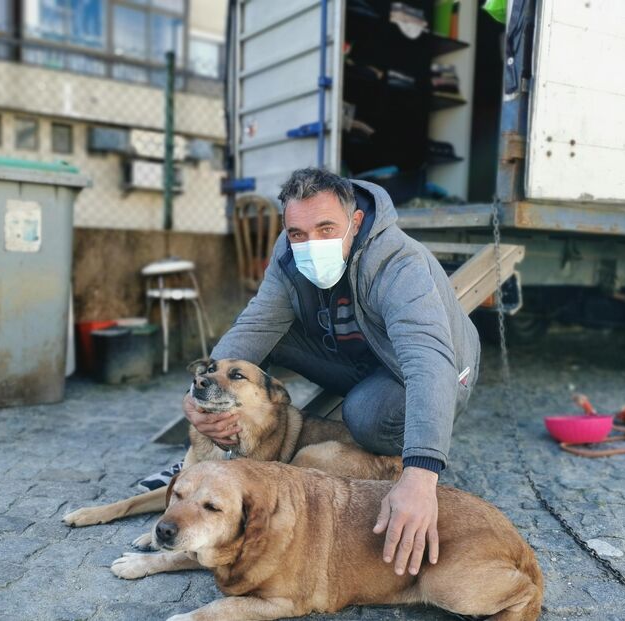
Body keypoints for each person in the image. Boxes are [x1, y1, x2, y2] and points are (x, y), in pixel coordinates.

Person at [183, 168, 480, 578]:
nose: (310, 243)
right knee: (264, 341)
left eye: (326, 229)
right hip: (356, 360)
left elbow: (428, 362)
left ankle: (397, 454)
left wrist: (421, 476)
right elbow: (255, 326)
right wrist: (197, 399)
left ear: (355, 222)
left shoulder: (398, 262)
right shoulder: (288, 254)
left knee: (364, 414)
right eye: (298, 233)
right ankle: (231, 443)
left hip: (431, 370)